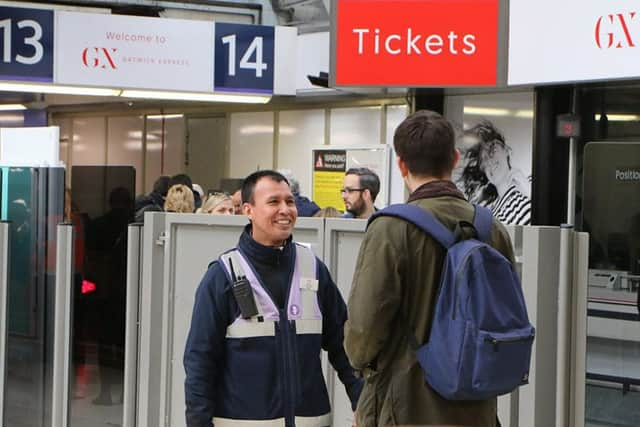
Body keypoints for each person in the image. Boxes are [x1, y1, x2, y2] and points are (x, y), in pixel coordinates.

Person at [344, 110, 515, 427]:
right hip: (476, 405)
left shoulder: (390, 229)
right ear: (454, 158)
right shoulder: (493, 230)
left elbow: (363, 333)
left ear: (401, 164)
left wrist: (362, 365)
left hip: (403, 405)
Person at [183, 170, 362, 427]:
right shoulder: (222, 276)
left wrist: (362, 400)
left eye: (289, 201)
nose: (285, 210)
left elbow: (344, 346)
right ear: (248, 210)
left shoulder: (312, 268)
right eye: (273, 202)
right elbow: (200, 360)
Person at [458, 121, 531, 225]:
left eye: (493, 151)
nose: (490, 162)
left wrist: (529, 192)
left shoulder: (533, 184)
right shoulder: (491, 216)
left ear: (507, 150)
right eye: (484, 161)